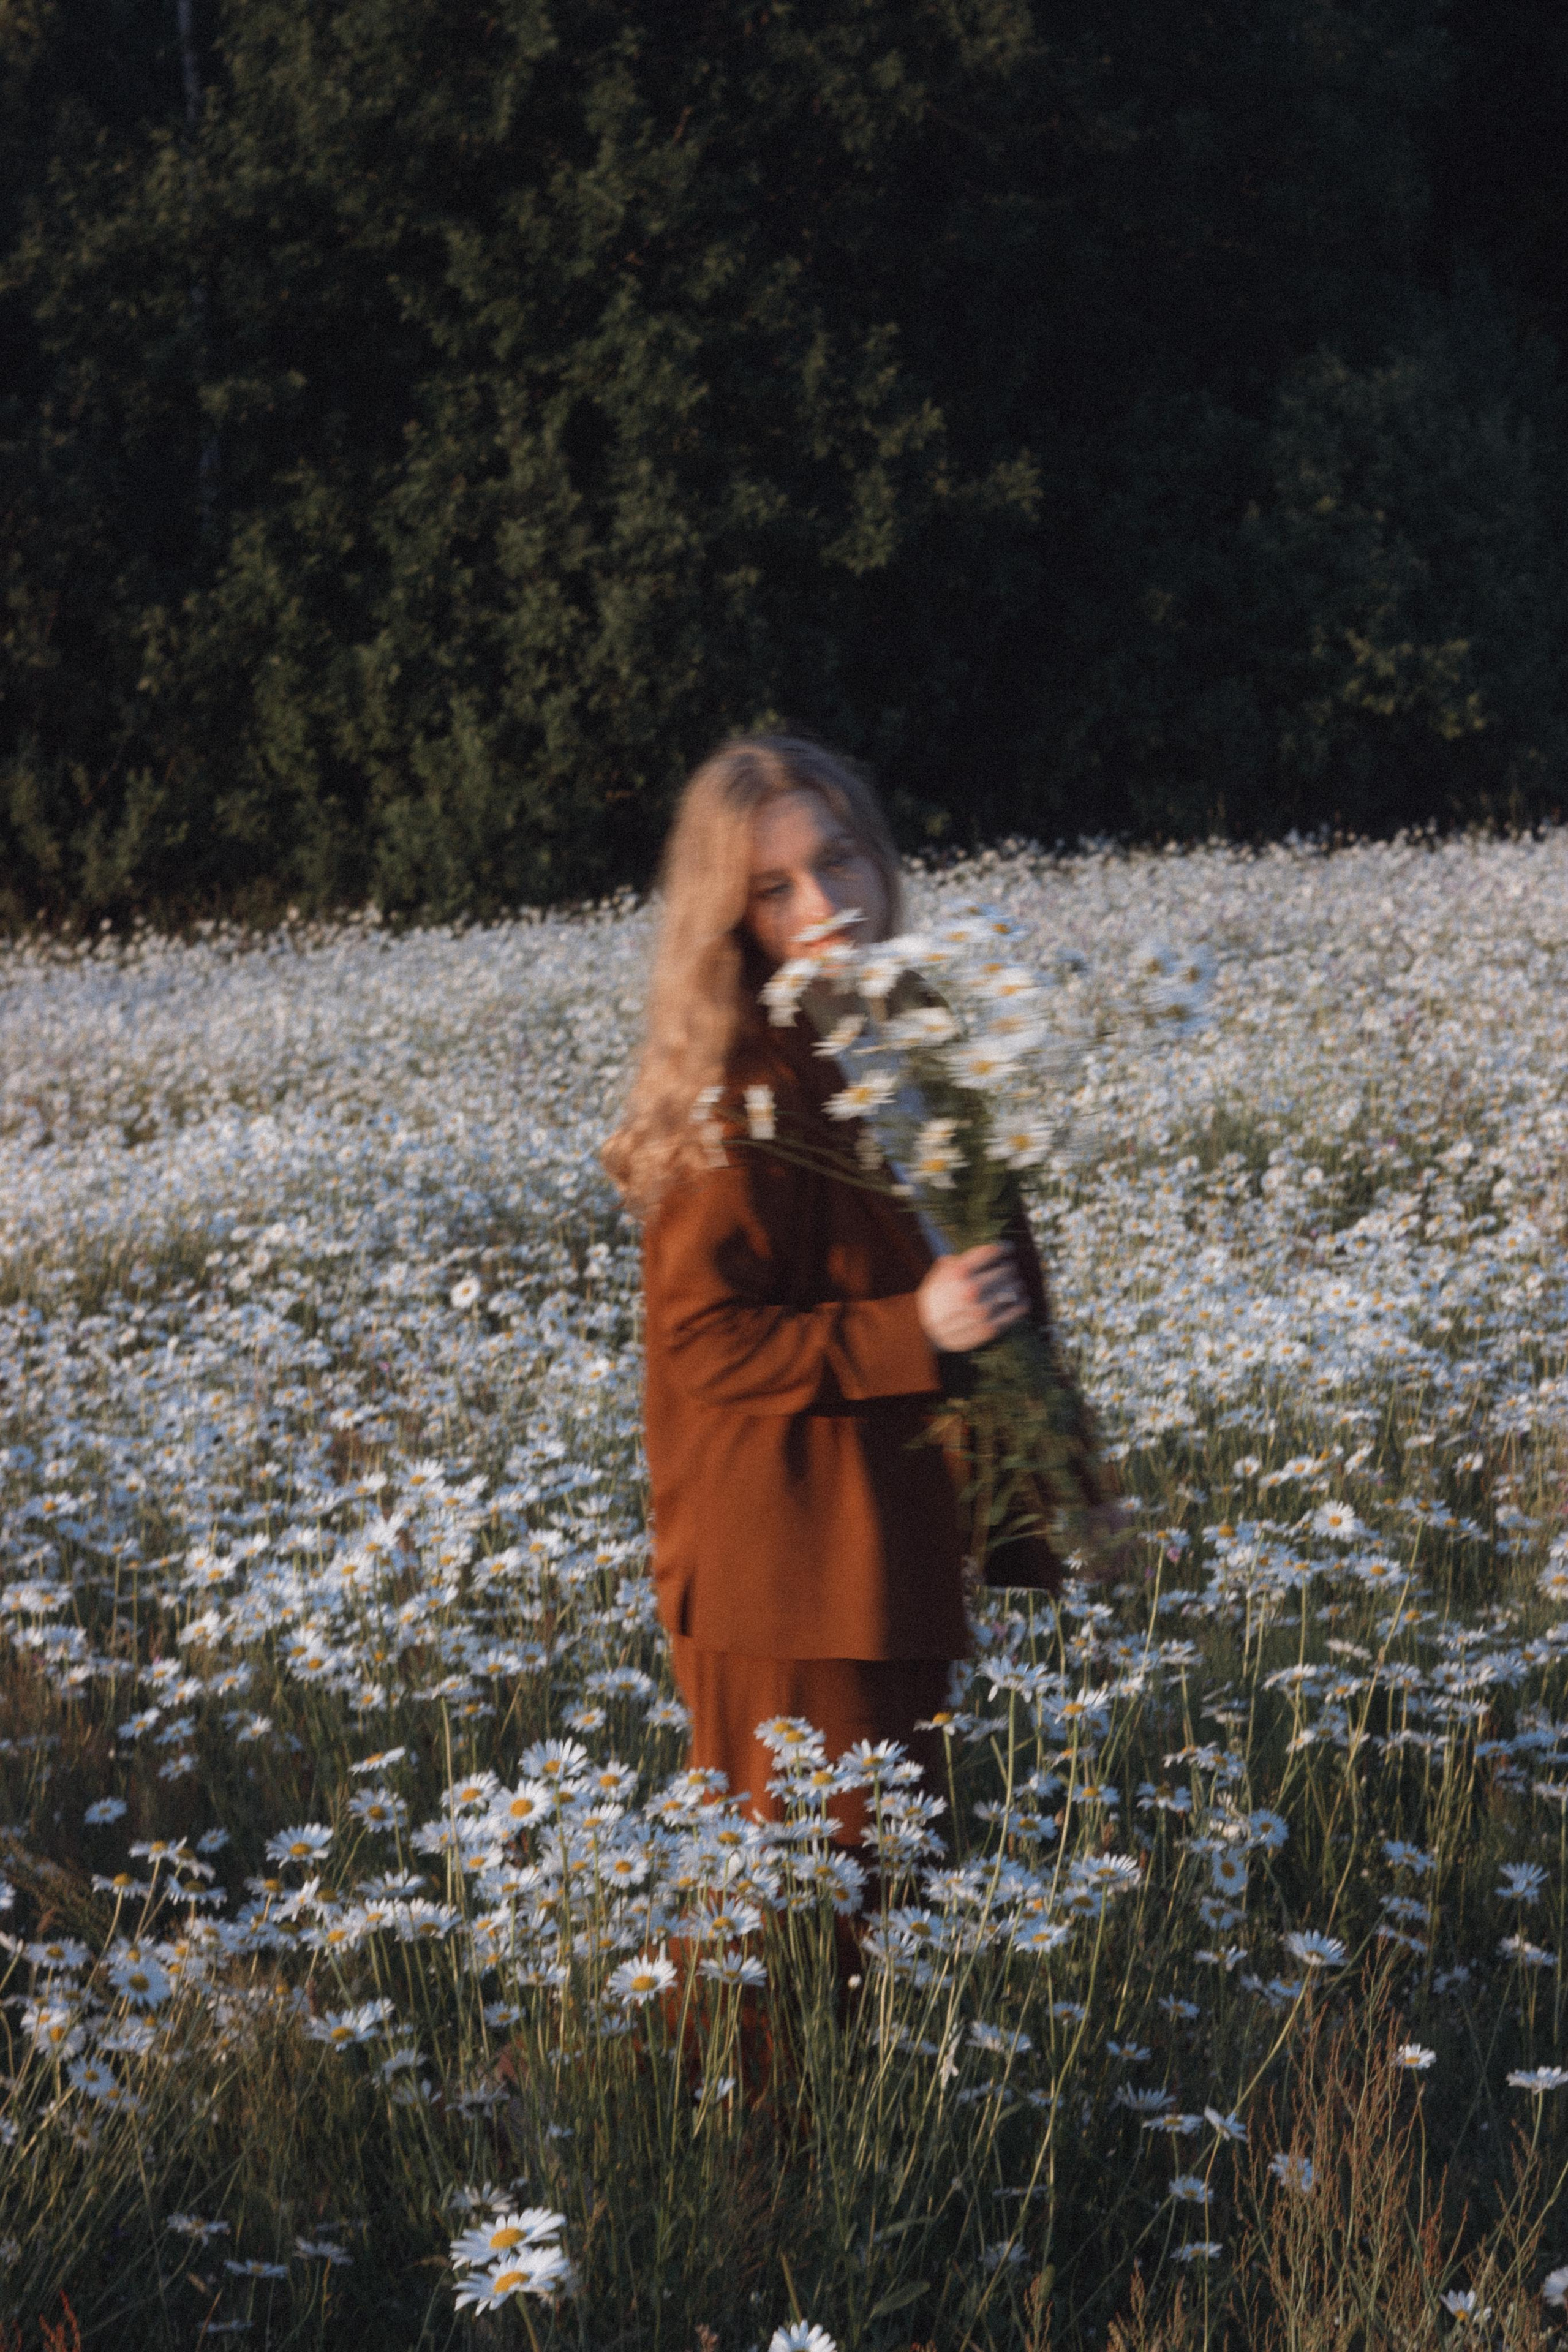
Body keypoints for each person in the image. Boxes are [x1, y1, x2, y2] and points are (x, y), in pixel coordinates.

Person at [603, 735, 1120, 1852]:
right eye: (775, 888)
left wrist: (1057, 1472)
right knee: (793, 1905)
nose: (824, 904)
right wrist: (914, 1328)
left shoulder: (909, 1031)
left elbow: (993, 1263)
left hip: (895, 1541)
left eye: (839, 860)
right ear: (731, 918)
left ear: (880, 861)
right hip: (792, 1565)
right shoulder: (738, 1085)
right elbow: (704, 1339)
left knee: (883, 1883)